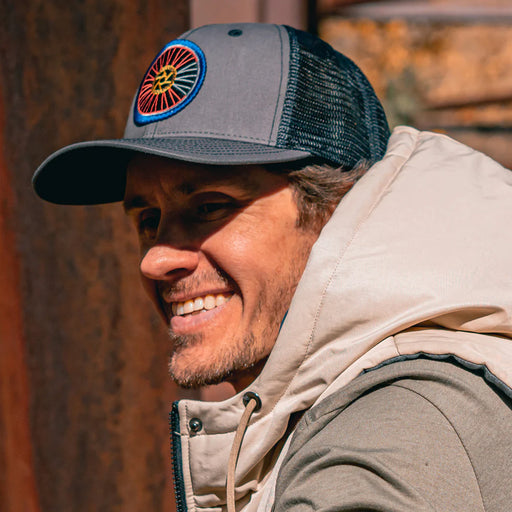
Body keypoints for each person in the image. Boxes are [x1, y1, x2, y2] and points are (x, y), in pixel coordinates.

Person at [33, 23, 512, 512]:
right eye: (148, 219)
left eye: (209, 207)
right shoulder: (363, 403)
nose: (156, 259)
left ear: (338, 208)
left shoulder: (381, 446)